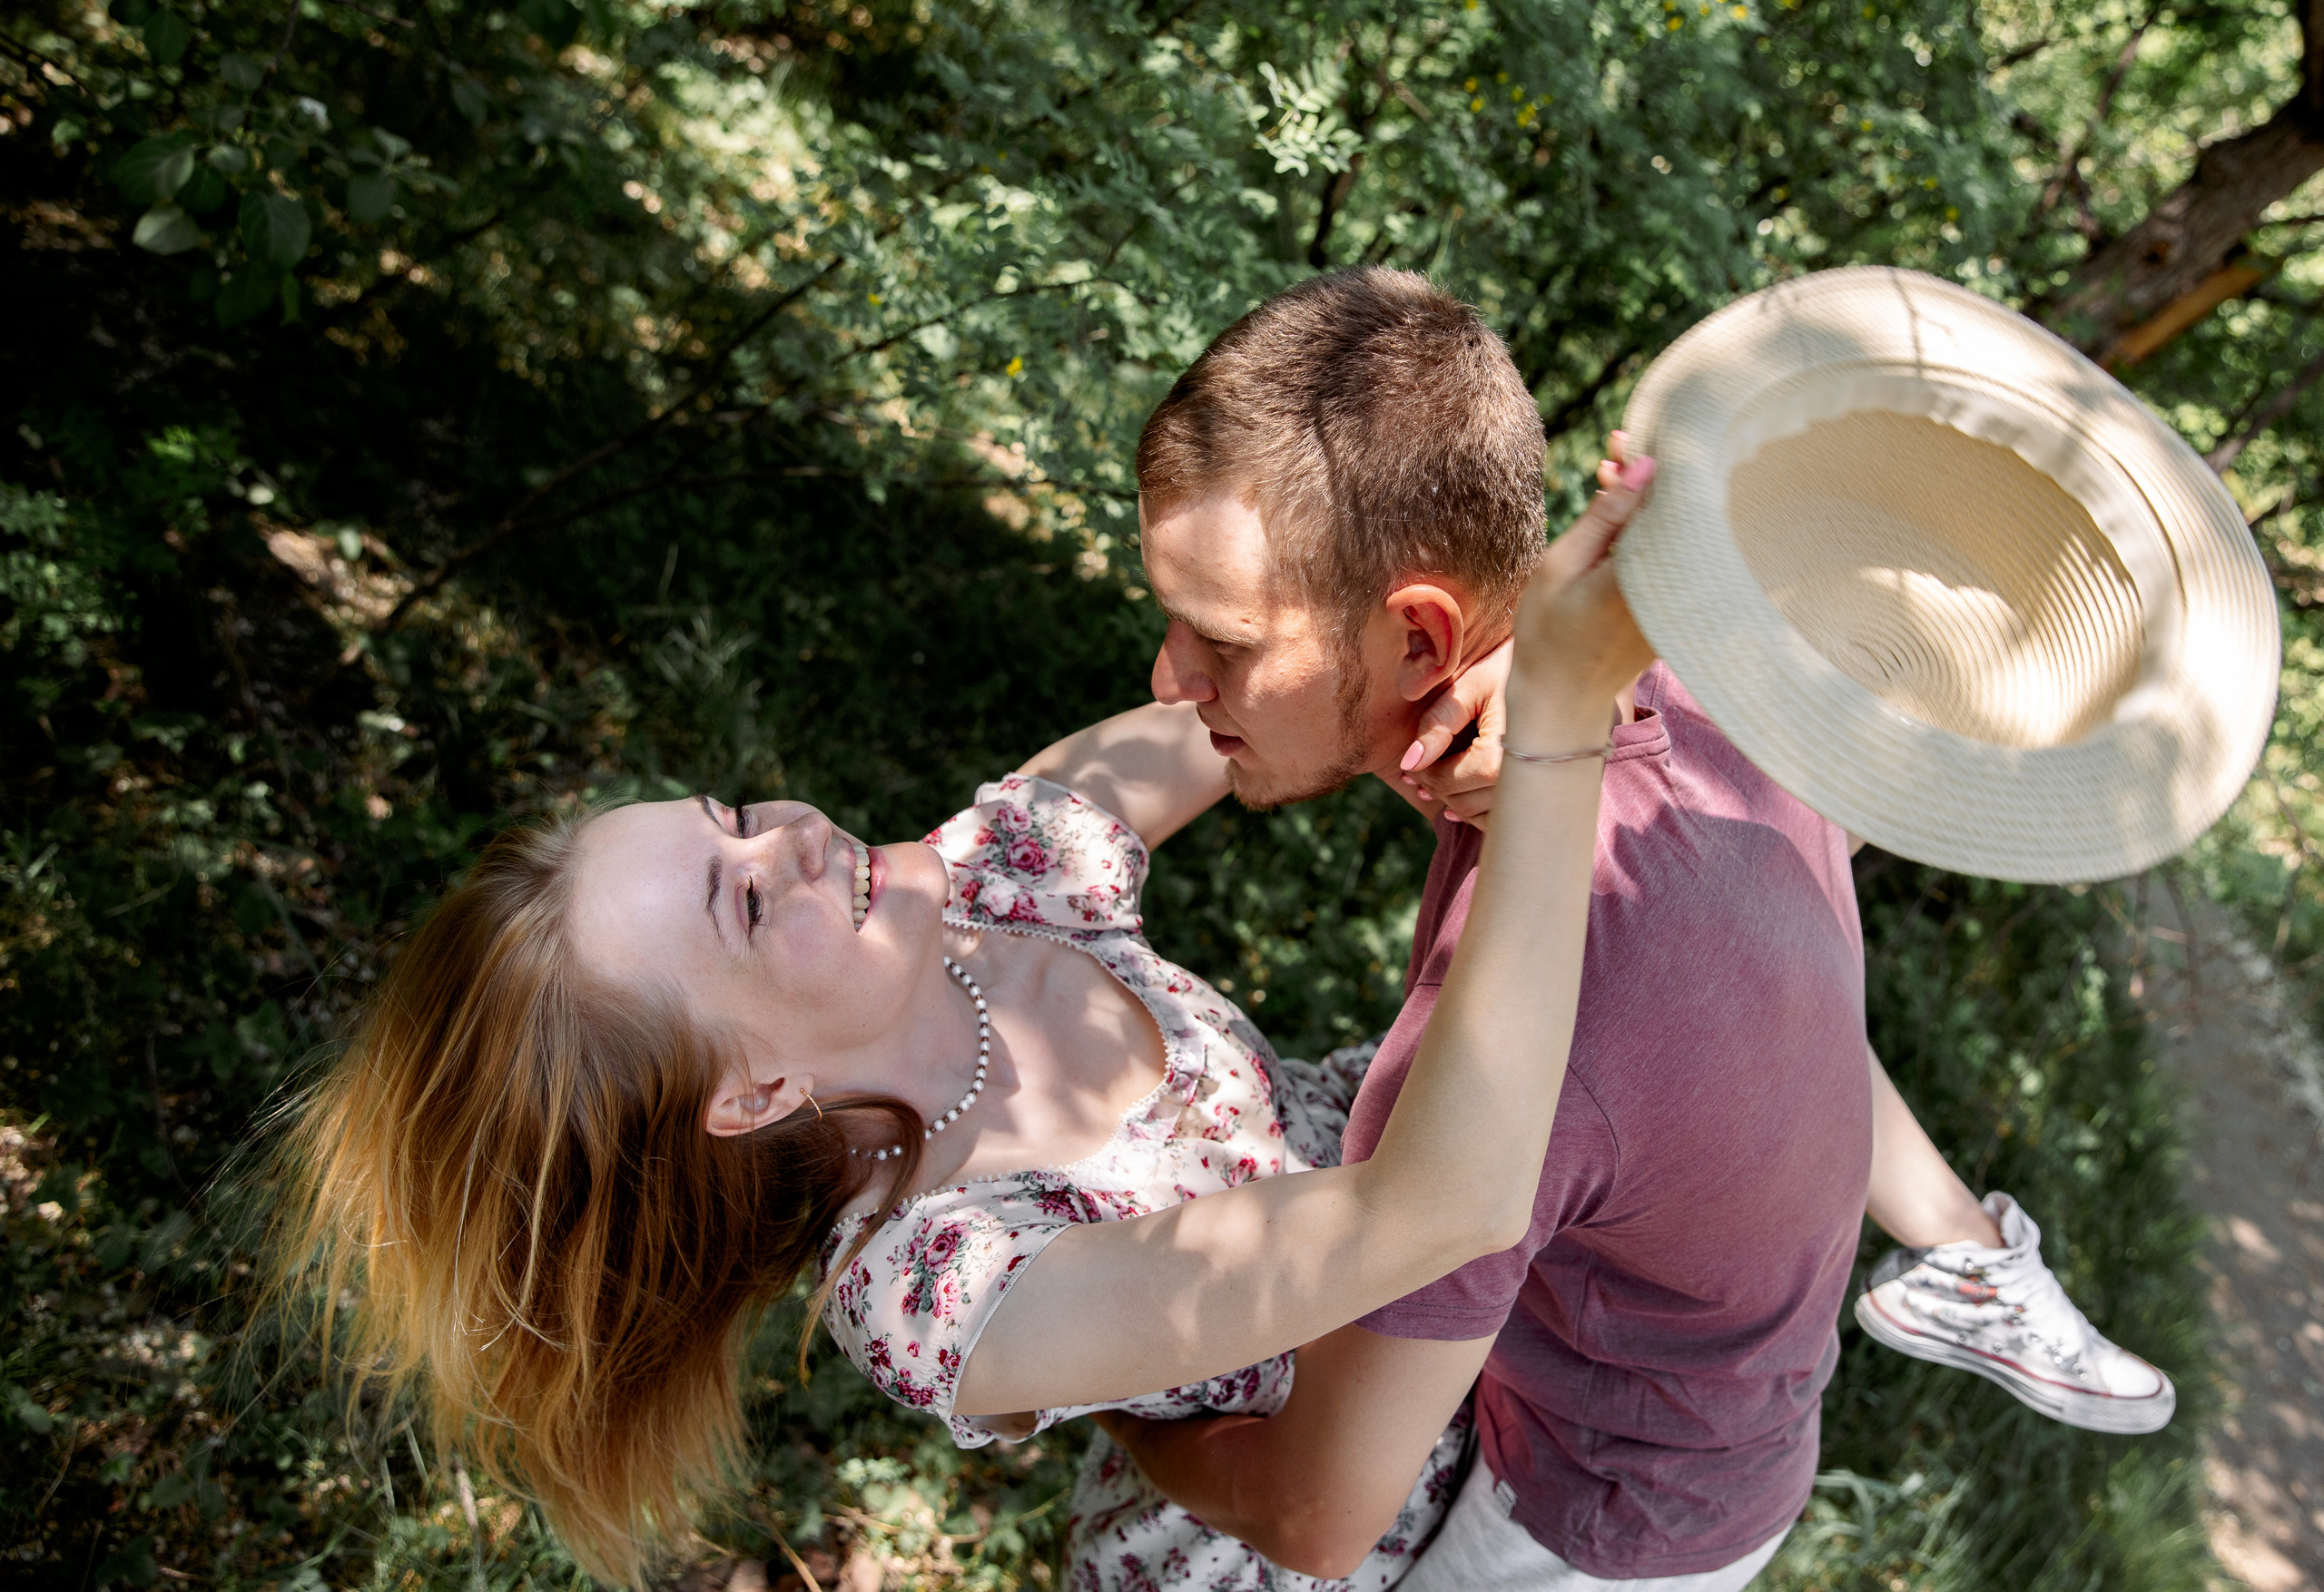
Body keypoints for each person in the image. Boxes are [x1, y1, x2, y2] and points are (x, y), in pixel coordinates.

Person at [271, 440, 1657, 1589]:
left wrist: (1476, 645)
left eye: (740, 819)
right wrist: (1553, 741)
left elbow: (1288, 707)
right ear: (747, 1093)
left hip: (1507, 1330)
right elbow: (1445, 1210)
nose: (796, 837)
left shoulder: (994, 876)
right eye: (745, 903)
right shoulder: (937, 1282)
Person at [1094, 267, 2176, 1591]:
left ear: (1426, 637)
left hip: (1599, 1525)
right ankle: (1967, 1249)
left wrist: (1129, 1411)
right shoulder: (1717, 676)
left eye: (1222, 640)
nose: (1170, 676)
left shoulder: (1508, 1054)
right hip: (1742, 1433)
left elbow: (1320, 1512)